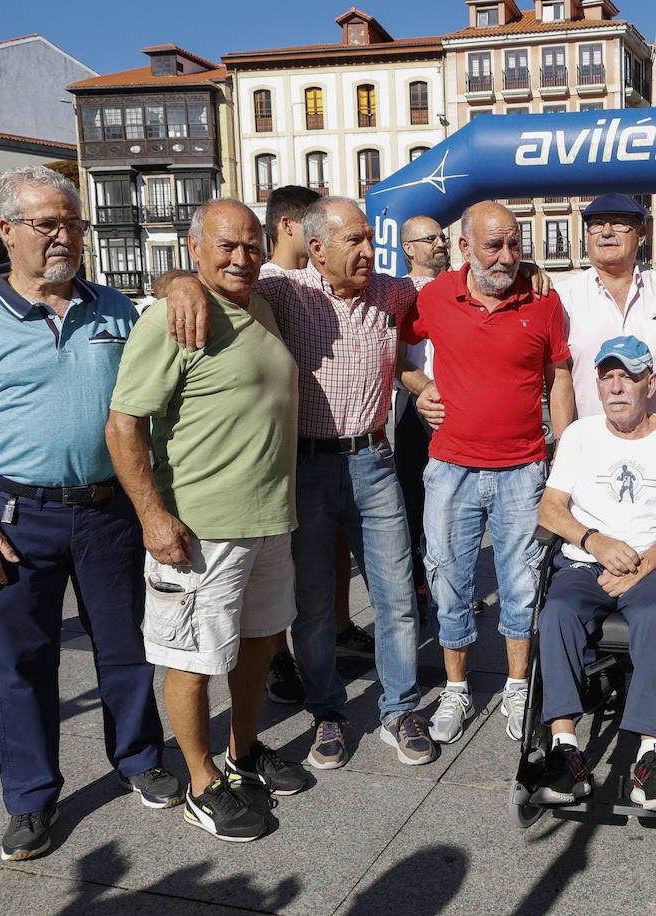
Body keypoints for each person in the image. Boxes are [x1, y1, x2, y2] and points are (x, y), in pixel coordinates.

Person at [0, 166, 178, 861]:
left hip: (107, 510)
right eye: (49, 224)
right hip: (14, 515)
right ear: (6, 230)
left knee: (126, 648)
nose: (67, 237)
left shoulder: (114, 307)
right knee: (22, 663)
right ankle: (31, 799)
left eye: (74, 224)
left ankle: (140, 759)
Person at [167, 195, 438, 770]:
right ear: (316, 249)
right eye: (354, 241)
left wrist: (531, 272)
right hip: (306, 469)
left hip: (374, 464)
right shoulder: (284, 290)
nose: (368, 250)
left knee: (396, 596)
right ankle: (327, 712)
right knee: (313, 604)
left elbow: (465, 286)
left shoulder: (393, 292)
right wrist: (179, 286)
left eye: (370, 238)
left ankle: (400, 708)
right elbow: (213, 275)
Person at [107, 199, 308, 842]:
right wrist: (152, 517)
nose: (241, 257)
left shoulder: (264, 306)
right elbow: (123, 425)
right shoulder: (172, 316)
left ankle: (242, 754)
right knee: (191, 659)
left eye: (251, 245)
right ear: (194, 249)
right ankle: (199, 781)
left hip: (269, 518)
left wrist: (186, 277)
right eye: (225, 246)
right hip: (200, 527)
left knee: (256, 643)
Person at [400, 200, 575, 744]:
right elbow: (402, 359)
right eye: (493, 245)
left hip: (523, 468)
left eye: (514, 244)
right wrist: (420, 388)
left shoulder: (543, 298)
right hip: (451, 467)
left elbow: (560, 377)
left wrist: (563, 454)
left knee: (522, 584)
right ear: (464, 248)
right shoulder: (432, 296)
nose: (506, 257)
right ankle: (456, 690)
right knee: (449, 579)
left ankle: (518, 686)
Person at [532, 335, 656, 814]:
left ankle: (651, 760)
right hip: (587, 562)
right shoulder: (579, 436)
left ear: (649, 384)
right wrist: (597, 543)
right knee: (558, 613)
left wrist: (641, 567)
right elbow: (551, 510)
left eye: (628, 377)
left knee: (655, 618)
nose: (616, 387)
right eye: (608, 377)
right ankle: (565, 750)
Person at [256, 185, 373, 709]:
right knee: (292, 573)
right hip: (286, 455)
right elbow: (194, 284)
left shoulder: (341, 286)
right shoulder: (272, 285)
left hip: (355, 454)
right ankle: (281, 658)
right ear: (294, 227)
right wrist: (181, 287)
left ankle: (340, 628)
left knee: (329, 553)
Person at [555, 194, 656, 421]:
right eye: (596, 225)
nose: (606, 232)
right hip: (590, 445)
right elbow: (556, 375)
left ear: (641, 235)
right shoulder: (563, 297)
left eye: (618, 222)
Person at [393, 214, 451, 601]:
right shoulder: (396, 291)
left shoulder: (459, 285)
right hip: (414, 405)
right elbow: (392, 356)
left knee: (451, 504)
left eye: (442, 236)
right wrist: (424, 388)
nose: (440, 243)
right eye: (429, 238)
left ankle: (448, 585)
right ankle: (418, 586)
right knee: (414, 501)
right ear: (408, 248)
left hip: (455, 407)